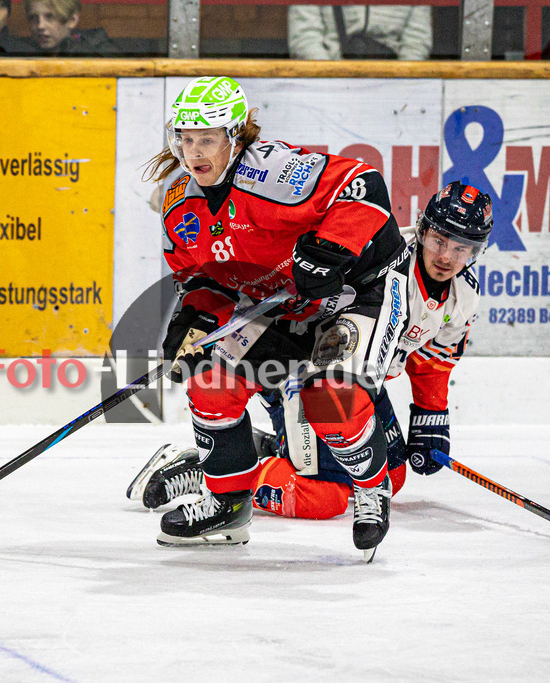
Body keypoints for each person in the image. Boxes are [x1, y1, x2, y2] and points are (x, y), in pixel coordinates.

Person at [145, 76, 410, 557]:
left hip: (355, 292)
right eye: (185, 139)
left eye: (206, 139)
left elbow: (366, 186)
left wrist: (328, 251)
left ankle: (371, 490)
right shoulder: (178, 204)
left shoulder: (273, 171)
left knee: (329, 395)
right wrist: (197, 319)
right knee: (209, 382)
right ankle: (227, 506)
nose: (193, 151)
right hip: (280, 303)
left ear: (236, 136)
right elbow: (207, 280)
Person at [129, 182, 494, 526]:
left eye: (462, 248)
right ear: (423, 229)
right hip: (304, 373)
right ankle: (207, 470)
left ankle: (255, 449)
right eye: (439, 240)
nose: (446, 256)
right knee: (324, 497)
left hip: (358, 383)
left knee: (390, 476)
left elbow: (434, 356)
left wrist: (430, 417)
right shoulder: (377, 254)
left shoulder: (464, 295)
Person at [288, 4, 432, 61]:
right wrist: (330, 80)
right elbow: (305, 39)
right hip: (329, 84)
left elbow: (416, 43)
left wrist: (401, 85)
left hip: (394, 86)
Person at [24, 0, 116, 56]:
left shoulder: (96, 54)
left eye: (50, 17)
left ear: (72, 20)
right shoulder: (22, 52)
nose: (40, 26)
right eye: (33, 18)